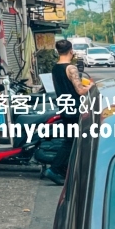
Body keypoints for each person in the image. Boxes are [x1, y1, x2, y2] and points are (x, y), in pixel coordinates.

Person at [45, 38, 93, 185]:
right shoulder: (71, 68)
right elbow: (79, 90)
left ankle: (63, 168)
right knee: (70, 142)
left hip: (65, 108)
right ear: (71, 51)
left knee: (70, 141)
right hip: (74, 109)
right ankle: (54, 169)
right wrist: (91, 86)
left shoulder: (55, 68)